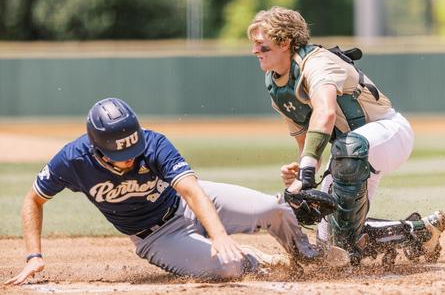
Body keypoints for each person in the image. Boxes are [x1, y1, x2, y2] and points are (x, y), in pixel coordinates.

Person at [4, 97, 349, 286]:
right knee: (230, 268)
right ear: (95, 147)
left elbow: (191, 190)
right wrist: (34, 255)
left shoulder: (153, 143)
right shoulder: (72, 160)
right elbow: (33, 199)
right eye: (118, 156)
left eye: (131, 151)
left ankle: (306, 253)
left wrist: (217, 234)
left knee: (274, 209)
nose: (128, 161)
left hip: (187, 204)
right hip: (155, 237)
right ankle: (255, 260)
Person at [247, 6, 445, 264]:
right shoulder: (277, 87)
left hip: (388, 133)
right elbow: (307, 144)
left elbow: (326, 111)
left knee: (347, 149)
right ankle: (418, 233)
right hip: (349, 154)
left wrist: (308, 174)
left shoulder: (318, 62)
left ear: (285, 42)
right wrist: (299, 178)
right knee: (336, 248)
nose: (255, 51)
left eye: (262, 46)